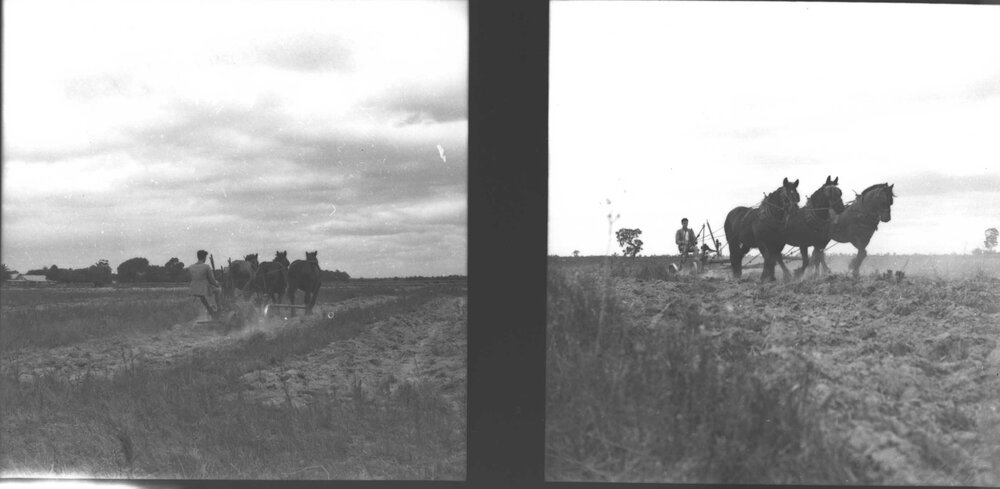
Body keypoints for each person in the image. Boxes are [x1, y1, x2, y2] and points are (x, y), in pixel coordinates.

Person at [187, 250, 221, 320]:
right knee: (219, 290)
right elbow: (212, 280)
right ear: (204, 257)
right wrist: (217, 284)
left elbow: (192, 279)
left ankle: (211, 310)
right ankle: (219, 308)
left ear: (198, 257)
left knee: (202, 297)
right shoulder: (206, 266)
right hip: (203, 288)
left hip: (193, 289)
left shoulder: (190, 267)